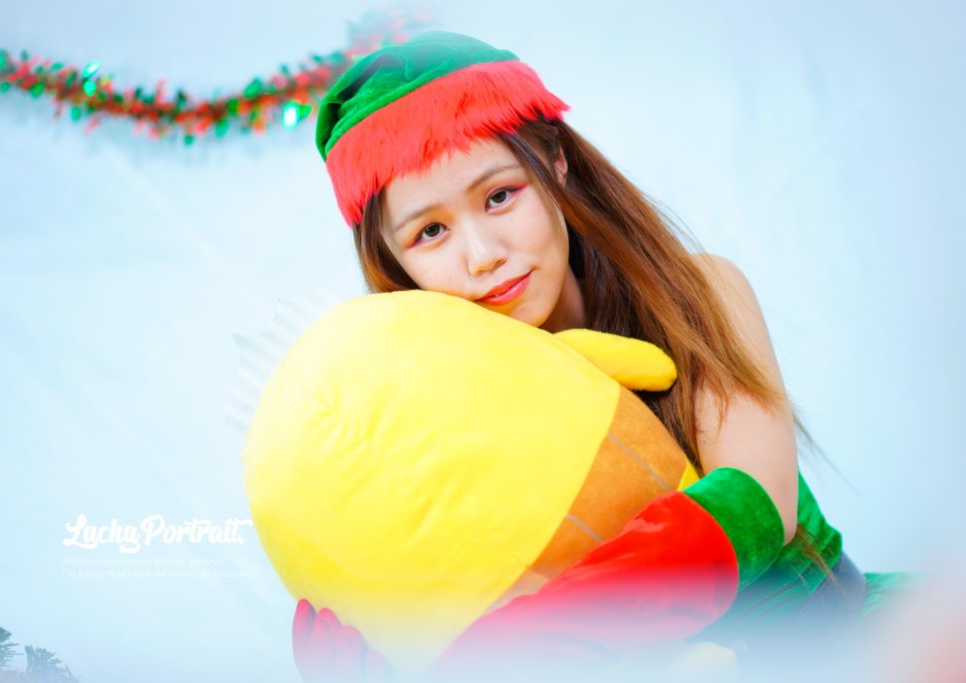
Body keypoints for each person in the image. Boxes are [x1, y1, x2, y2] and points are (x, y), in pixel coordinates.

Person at [294, 29, 915, 681]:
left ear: (555, 162)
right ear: (395, 265)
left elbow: (759, 500)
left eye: (499, 195)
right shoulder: (436, 433)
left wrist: (525, 634)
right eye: (431, 232)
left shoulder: (698, 293)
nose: (482, 255)